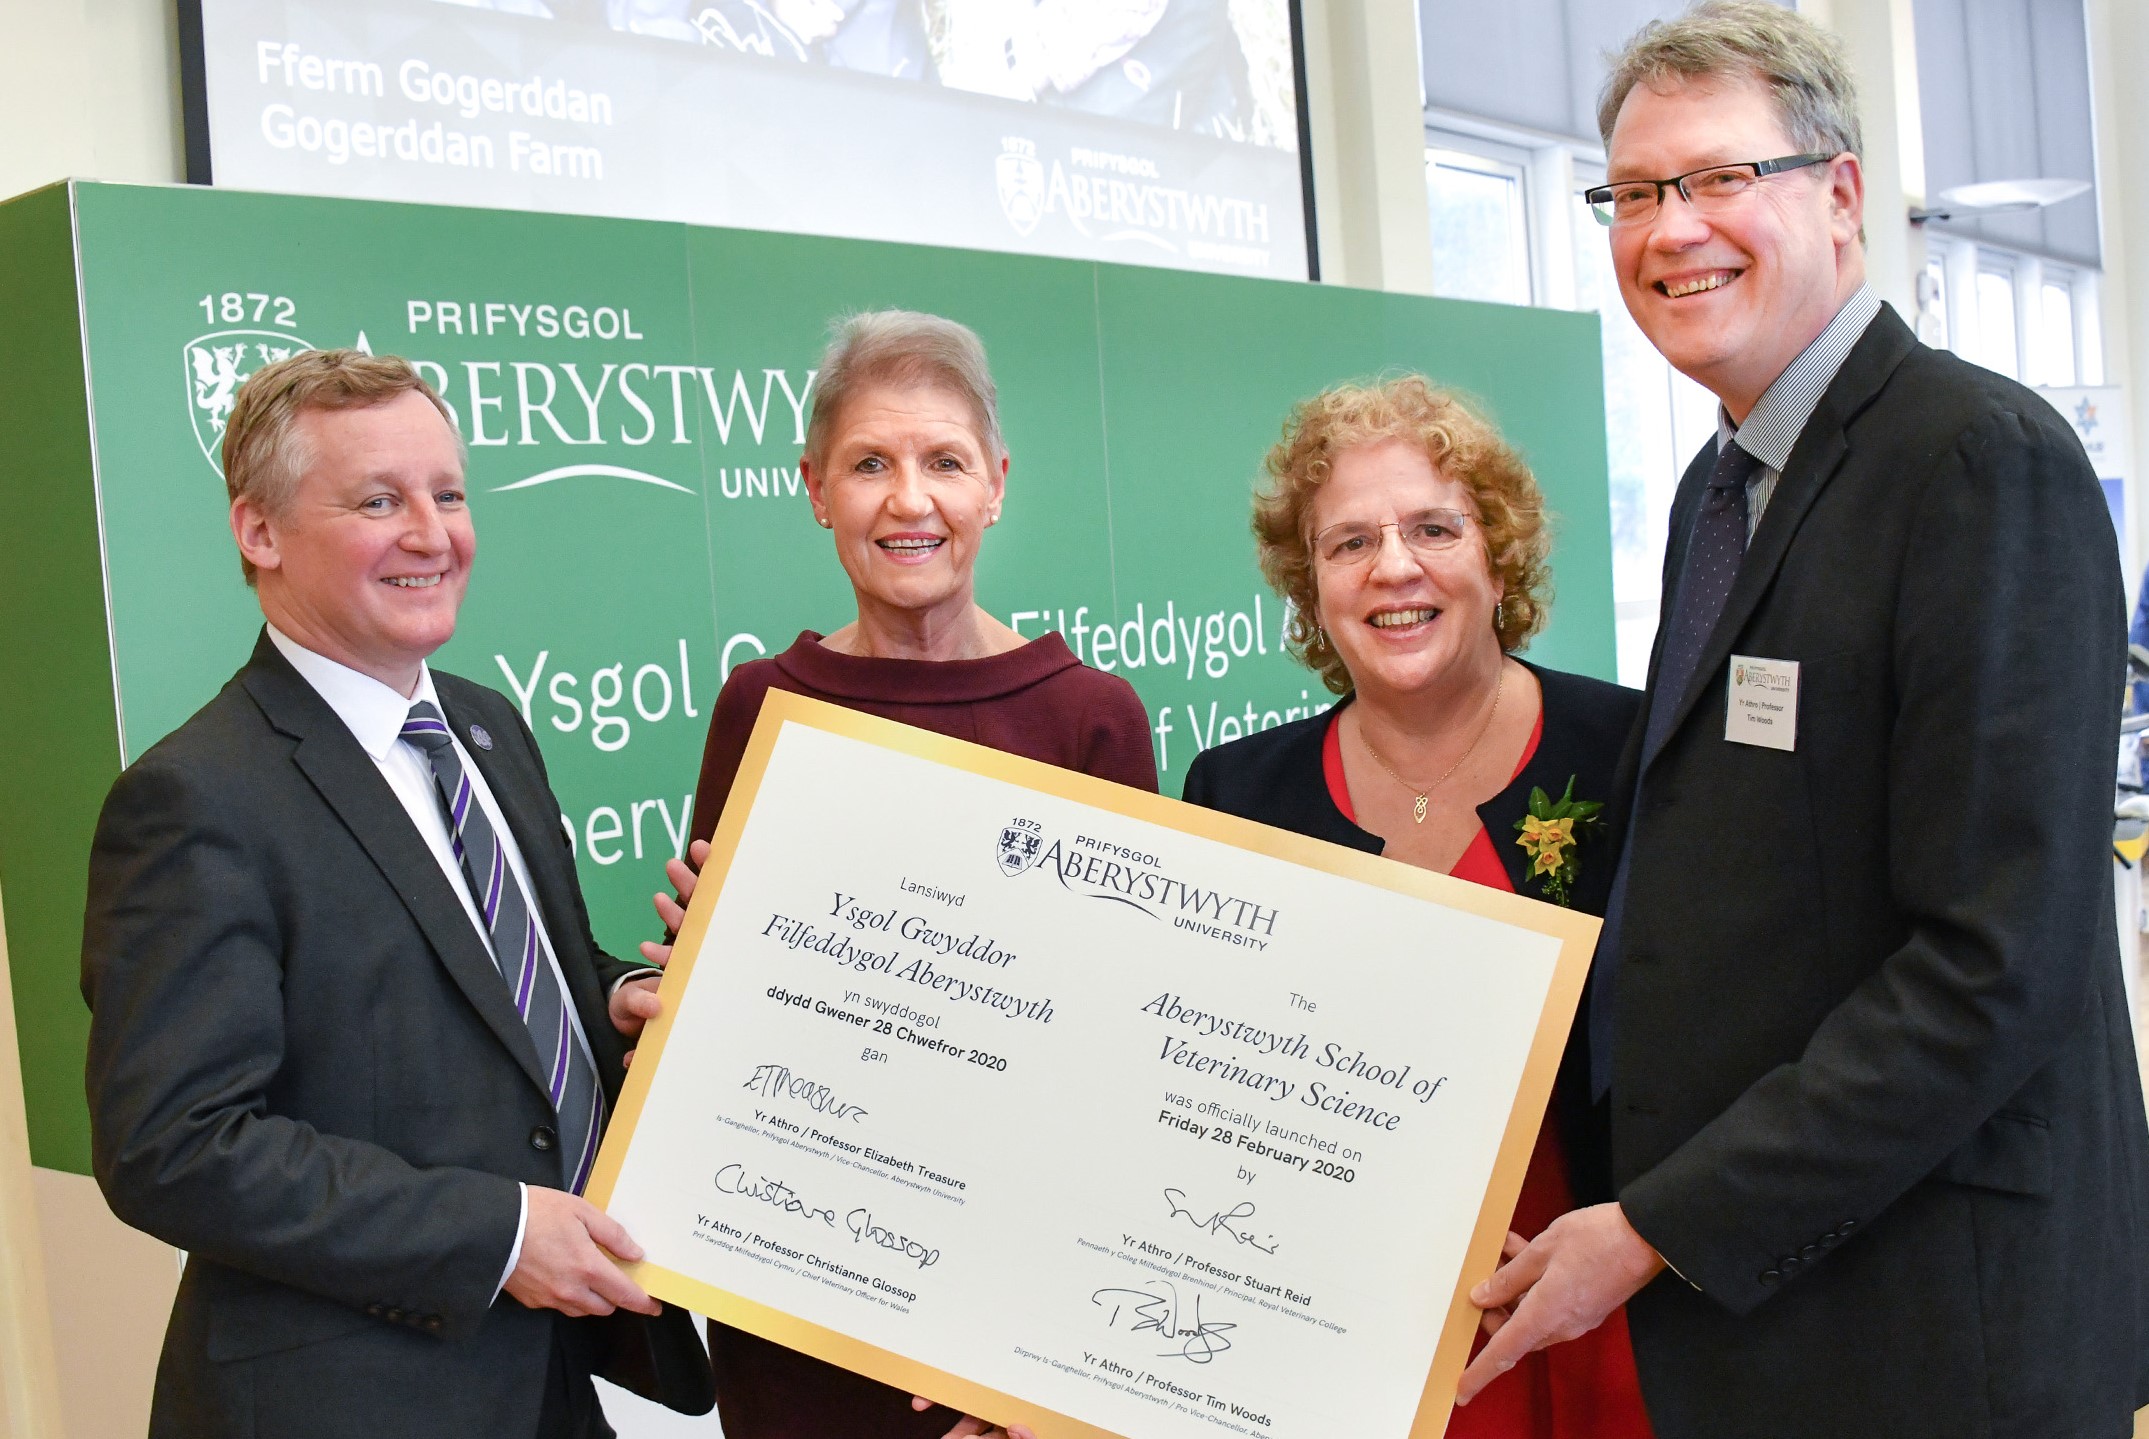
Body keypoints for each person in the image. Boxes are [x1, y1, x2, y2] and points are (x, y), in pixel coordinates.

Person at [1458, 6, 2149, 1436]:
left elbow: (1987, 964)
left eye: (1719, 178)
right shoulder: (1724, 496)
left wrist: (1656, 1220)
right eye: (1636, 192)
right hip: (1782, 1315)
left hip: (1931, 1329)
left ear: (1839, 197)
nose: (1669, 229)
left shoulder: (1975, 459)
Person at [80, 350, 713, 1438]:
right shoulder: (195, 798)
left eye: (449, 494)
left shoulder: (485, 725)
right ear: (260, 532)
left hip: (550, 1379)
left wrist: (613, 999)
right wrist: (499, 1233)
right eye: (380, 500)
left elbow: (505, 986)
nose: (433, 533)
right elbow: (173, 1144)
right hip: (351, 1398)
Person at [616, 309, 1156, 1439]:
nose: (910, 500)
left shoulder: (1091, 718)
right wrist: (682, 989)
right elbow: (733, 1023)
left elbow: (1120, 1067)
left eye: (944, 462)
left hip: (1013, 1323)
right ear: (815, 488)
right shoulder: (760, 706)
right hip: (799, 1304)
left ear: (996, 484)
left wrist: (1040, 1362)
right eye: (870, 464)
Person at [1179, 376, 1651, 1439]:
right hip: (1332, 1343)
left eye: (1433, 527)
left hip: (1601, 1321)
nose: (1393, 566)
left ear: (1497, 556)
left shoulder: (1632, 754)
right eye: (1348, 543)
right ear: (1310, 583)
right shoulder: (1233, 792)